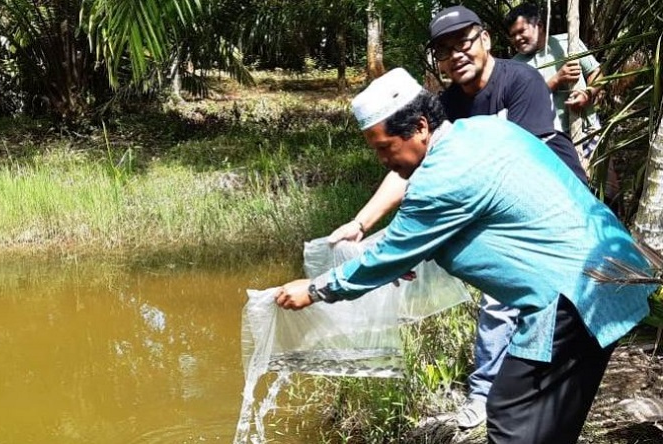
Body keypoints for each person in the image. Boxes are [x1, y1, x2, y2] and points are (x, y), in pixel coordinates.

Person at [274, 67, 657, 444]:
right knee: (553, 423)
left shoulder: (440, 176)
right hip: (612, 271)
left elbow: (396, 247)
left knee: (510, 414)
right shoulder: (484, 130)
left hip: (572, 298)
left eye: (384, 148)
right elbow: (454, 222)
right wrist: (408, 252)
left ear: (420, 127)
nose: (383, 161)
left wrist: (317, 288)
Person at [326, 5, 588, 429]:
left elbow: (511, 170)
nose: (456, 55)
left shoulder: (520, 81)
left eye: (463, 42)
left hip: (542, 212)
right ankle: (496, 396)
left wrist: (414, 245)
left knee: (511, 303)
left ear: (485, 39)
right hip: (490, 212)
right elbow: (410, 168)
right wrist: (361, 223)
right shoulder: (444, 105)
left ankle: (495, 397)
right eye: (443, 50)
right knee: (501, 303)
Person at [504, 2, 602, 170]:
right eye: (513, 35)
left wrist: (588, 93)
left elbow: (597, 73)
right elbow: (521, 103)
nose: (517, 39)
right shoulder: (513, 67)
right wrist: (556, 80)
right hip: (550, 143)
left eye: (521, 31)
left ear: (539, 26)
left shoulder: (568, 43)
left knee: (605, 191)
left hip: (587, 131)